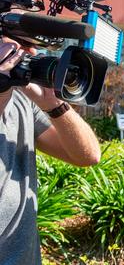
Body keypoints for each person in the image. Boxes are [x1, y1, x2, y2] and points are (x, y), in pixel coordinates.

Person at [0, 39, 101, 264]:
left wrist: (54, 104)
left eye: (27, 45)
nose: (28, 52)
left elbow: (88, 155)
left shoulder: (22, 101)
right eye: (14, 43)